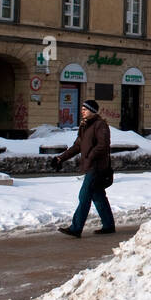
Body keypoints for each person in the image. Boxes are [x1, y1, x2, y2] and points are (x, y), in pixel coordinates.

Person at [52, 100, 115, 237]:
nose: (82, 111)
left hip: (97, 167)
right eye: (82, 109)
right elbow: (77, 146)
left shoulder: (100, 125)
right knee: (98, 195)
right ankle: (109, 225)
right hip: (91, 165)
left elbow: (103, 145)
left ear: (92, 111)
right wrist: (60, 158)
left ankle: (76, 228)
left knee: (84, 195)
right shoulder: (85, 126)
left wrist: (90, 156)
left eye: (85, 109)